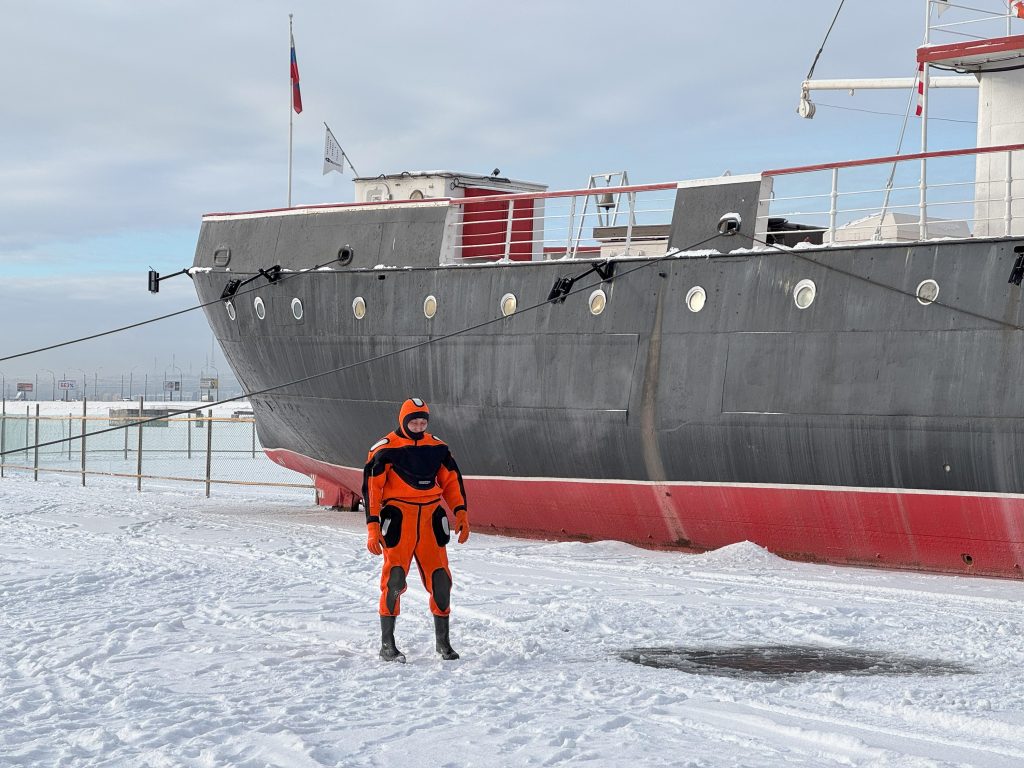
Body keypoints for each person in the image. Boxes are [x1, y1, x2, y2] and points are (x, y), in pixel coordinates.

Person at [362, 397, 470, 662]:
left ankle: (443, 644)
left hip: (431, 519)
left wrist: (461, 512)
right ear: (403, 420)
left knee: (441, 581)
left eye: (423, 421)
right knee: (395, 579)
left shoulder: (438, 447)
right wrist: (373, 527)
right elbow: (372, 489)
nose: (419, 425)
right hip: (400, 518)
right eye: (414, 421)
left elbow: (452, 482)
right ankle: (388, 646)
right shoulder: (385, 449)